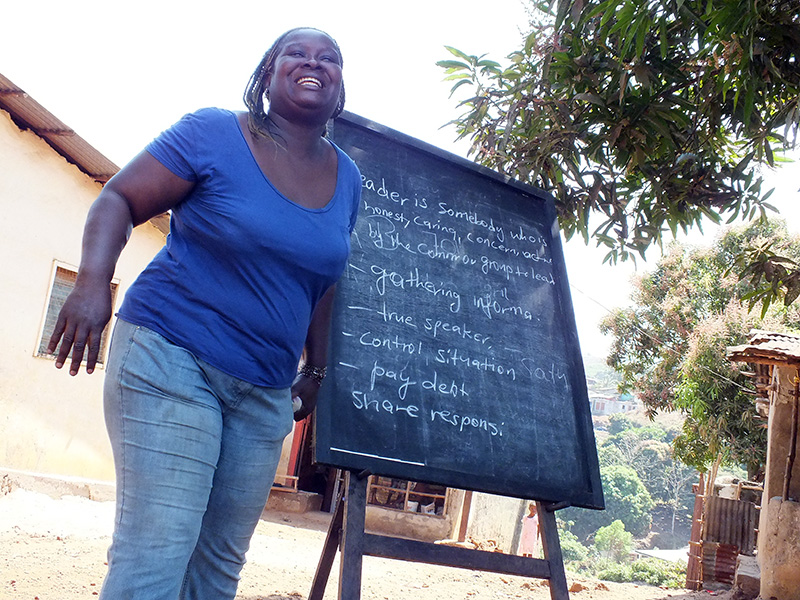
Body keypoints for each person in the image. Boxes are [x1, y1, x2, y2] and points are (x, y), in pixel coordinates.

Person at [46, 27, 361, 600]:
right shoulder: (214, 132)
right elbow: (119, 197)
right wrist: (92, 283)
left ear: (340, 84)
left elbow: (324, 279)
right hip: (170, 359)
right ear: (267, 73)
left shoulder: (348, 180)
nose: (313, 63)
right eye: (296, 53)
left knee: (216, 569)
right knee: (158, 552)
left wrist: (316, 369)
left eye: (329, 58)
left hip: (264, 395)